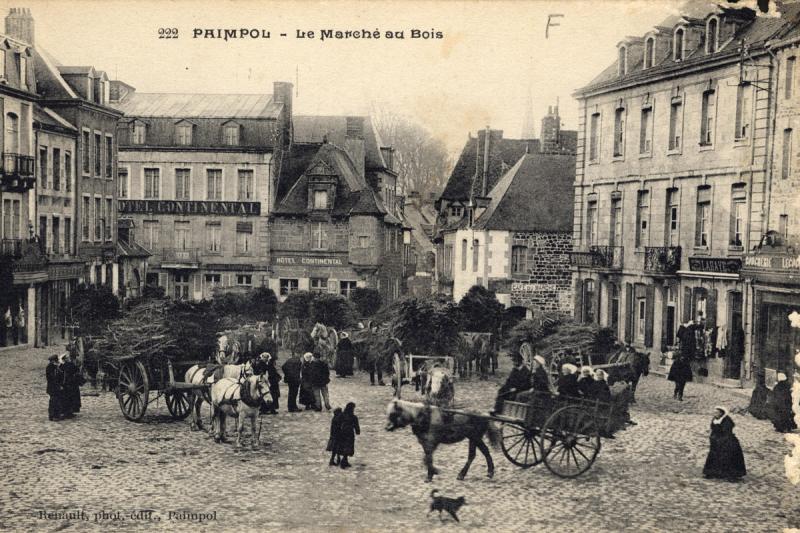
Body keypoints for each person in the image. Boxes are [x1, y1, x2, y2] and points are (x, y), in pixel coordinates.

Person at [703, 406, 746, 481]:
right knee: (714, 456)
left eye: (716, 412)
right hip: (717, 440)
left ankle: (730, 475)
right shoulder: (715, 419)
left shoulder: (727, 421)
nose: (714, 413)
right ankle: (713, 472)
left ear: (721, 413)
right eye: (714, 412)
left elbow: (727, 432)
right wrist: (713, 437)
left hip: (727, 441)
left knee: (728, 456)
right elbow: (713, 429)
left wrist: (720, 439)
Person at [336, 402, 360, 469]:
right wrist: (357, 431)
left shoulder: (341, 415)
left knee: (341, 445)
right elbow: (357, 427)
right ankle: (344, 460)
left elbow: (337, 423)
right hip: (350, 434)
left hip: (342, 433)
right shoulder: (354, 417)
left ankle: (341, 459)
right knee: (348, 446)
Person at [60, 353, 83, 417]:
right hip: (72, 384)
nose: (69, 358)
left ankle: (66, 411)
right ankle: (70, 411)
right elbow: (77, 370)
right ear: (65, 359)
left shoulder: (62, 366)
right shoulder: (70, 364)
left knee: (67, 398)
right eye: (68, 358)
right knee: (72, 398)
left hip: (66, 384)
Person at [46, 354, 64, 421]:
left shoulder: (55, 367)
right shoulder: (50, 367)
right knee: (53, 402)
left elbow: (61, 375)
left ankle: (56, 415)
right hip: (53, 388)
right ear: (53, 361)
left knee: (57, 401)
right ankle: (53, 415)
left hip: (56, 387)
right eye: (56, 361)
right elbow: (53, 378)